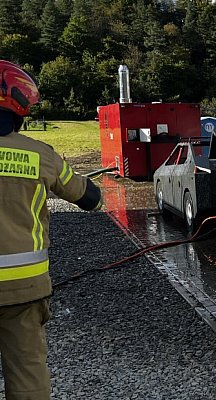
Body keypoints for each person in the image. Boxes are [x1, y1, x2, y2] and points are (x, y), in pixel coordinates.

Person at [0, 60, 103, 399]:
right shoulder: (39, 155)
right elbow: (88, 197)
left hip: (23, 290)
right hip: (23, 290)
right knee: (28, 372)